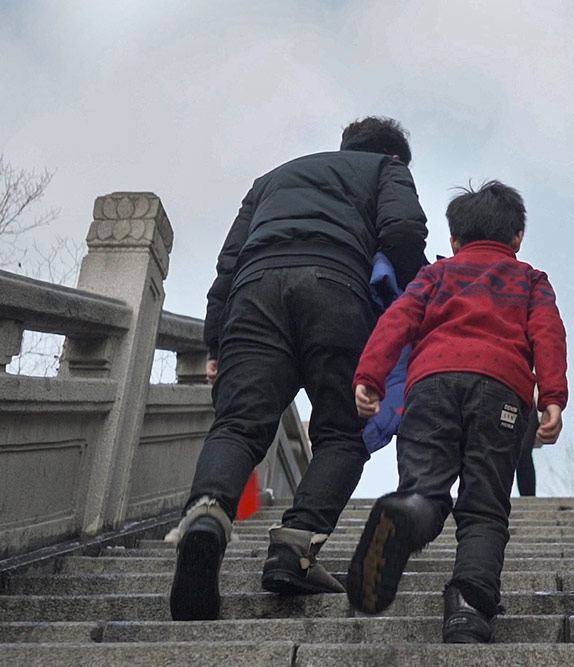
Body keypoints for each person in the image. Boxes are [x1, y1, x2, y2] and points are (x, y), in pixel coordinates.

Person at [168, 117, 428, 621]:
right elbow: (403, 230)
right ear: (394, 156)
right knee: (343, 432)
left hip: (254, 290)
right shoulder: (386, 171)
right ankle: (294, 548)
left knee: (238, 425)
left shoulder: (271, 179)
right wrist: (411, 296)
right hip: (336, 289)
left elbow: (228, 262)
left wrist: (215, 340)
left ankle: (206, 515)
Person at [347, 180, 567, 644]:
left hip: (430, 386)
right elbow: (548, 334)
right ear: (517, 238)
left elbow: (397, 320)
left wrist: (369, 377)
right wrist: (551, 398)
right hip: (502, 392)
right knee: (485, 507)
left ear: (453, 240)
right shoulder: (530, 279)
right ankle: (468, 606)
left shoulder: (435, 275)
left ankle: (409, 509)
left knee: (426, 488)